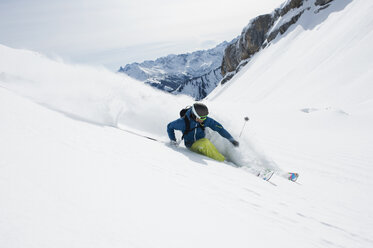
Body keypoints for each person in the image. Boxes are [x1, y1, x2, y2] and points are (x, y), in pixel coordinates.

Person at [167, 102, 239, 162]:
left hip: (202, 141)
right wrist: (173, 140)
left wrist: (231, 139)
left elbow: (219, 128)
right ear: (194, 115)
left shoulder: (205, 120)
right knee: (205, 142)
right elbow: (169, 126)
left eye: (205, 116)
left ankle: (220, 155)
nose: (204, 119)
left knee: (210, 138)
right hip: (191, 144)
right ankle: (223, 161)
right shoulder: (183, 122)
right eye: (202, 117)